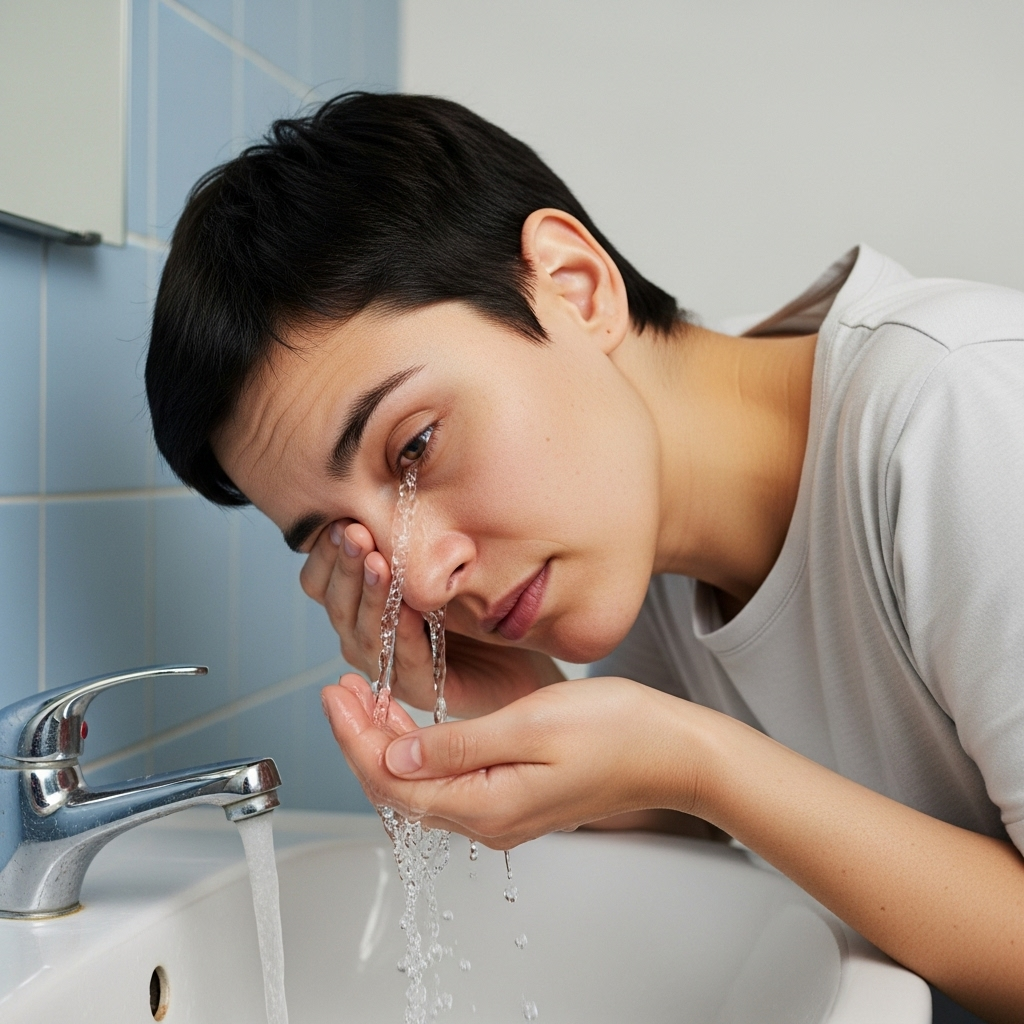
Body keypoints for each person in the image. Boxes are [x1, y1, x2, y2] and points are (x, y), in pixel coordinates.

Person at [145, 92, 1024, 1021]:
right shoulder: (638, 546)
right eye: (340, 537)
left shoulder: (962, 414)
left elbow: (721, 790)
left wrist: (698, 760)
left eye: (414, 448)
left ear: (572, 286)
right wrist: (537, 707)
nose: (425, 579)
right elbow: (714, 840)